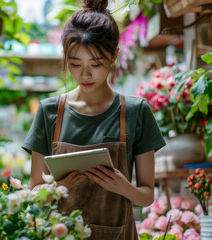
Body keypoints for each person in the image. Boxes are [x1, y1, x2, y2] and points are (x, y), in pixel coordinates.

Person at [22, 0, 166, 239]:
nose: (84, 74)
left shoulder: (136, 111)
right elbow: (35, 192)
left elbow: (147, 195)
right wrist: (58, 188)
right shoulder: (49, 111)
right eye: (75, 64)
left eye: (95, 64)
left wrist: (123, 187)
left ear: (113, 56)